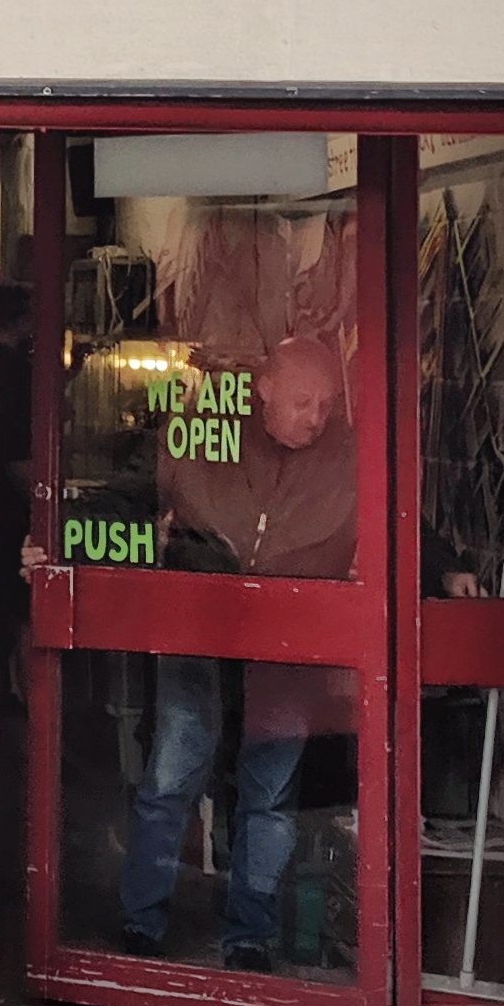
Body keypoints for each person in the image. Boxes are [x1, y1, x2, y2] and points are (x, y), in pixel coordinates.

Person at [113, 329, 356, 967]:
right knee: (171, 778)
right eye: (302, 401)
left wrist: (442, 569)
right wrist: (50, 545)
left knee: (269, 797)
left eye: (326, 404)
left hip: (288, 643)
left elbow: (404, 517)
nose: (315, 417)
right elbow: (124, 499)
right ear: (263, 388)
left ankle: (248, 936)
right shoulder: (196, 435)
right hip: (198, 630)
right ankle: (142, 924)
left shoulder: (349, 456)